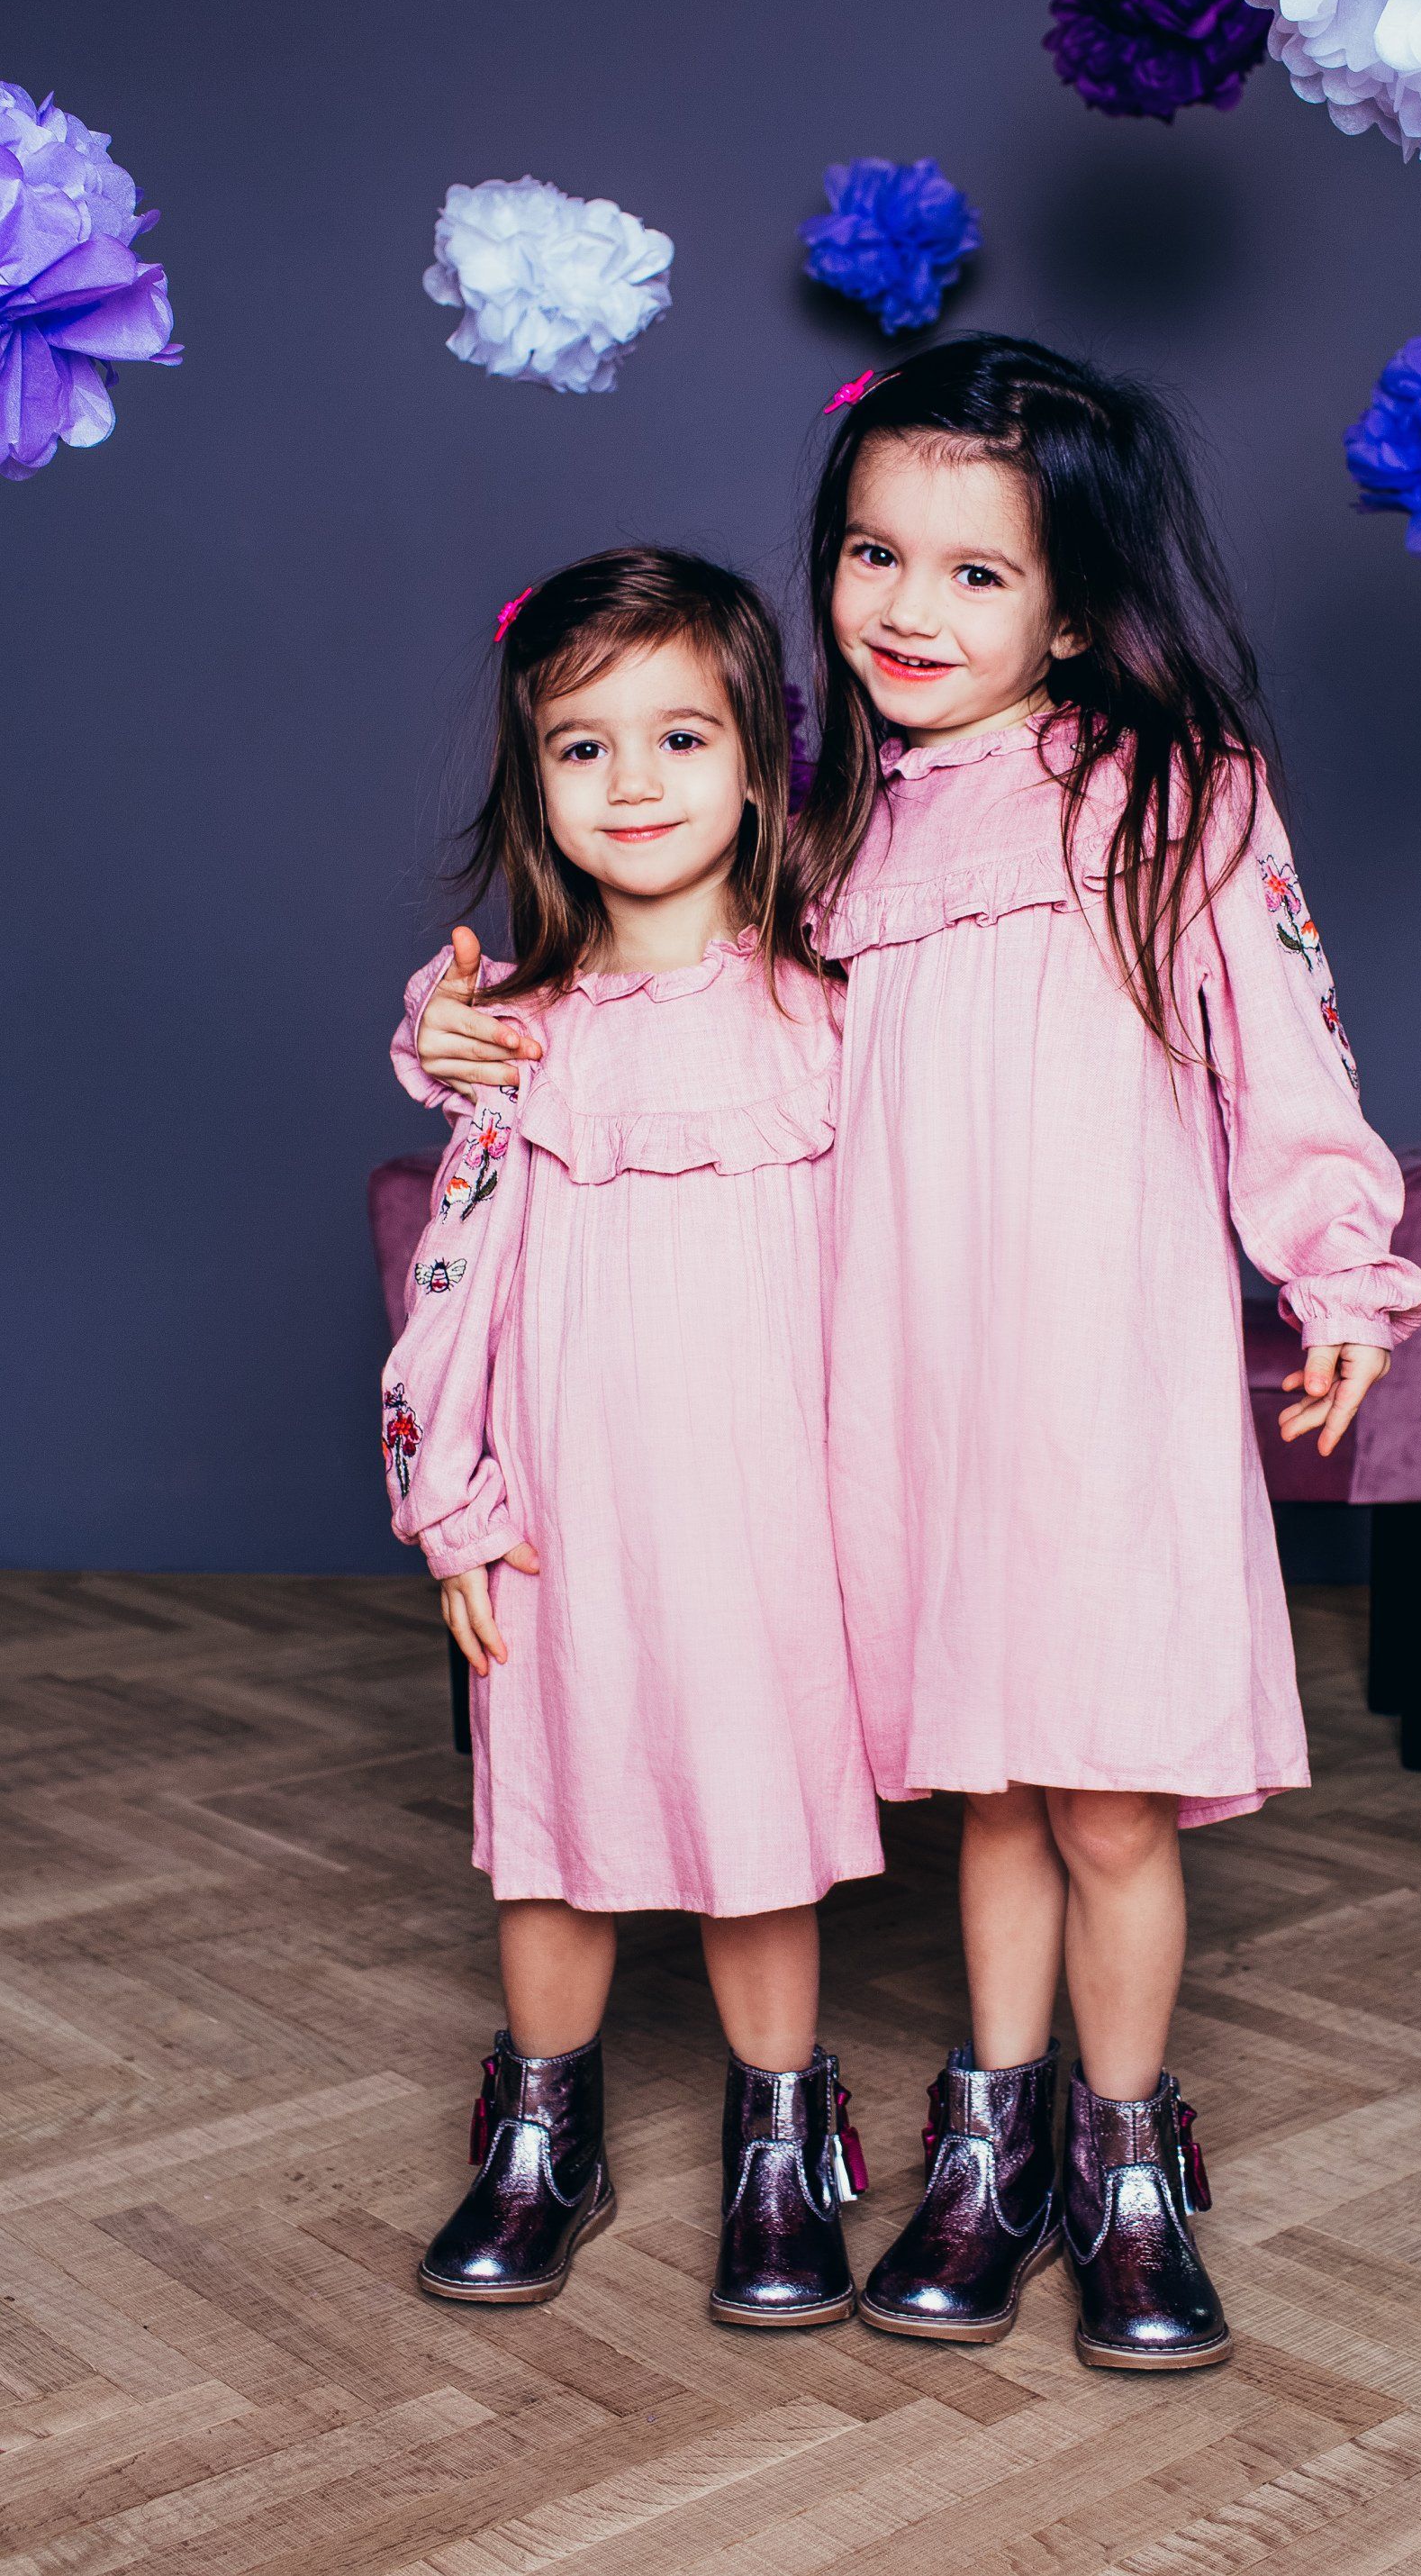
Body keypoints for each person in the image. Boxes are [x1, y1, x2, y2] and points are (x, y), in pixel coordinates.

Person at [406, 339, 1421, 2374]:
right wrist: (446, 1031)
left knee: (1114, 1802)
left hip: (1106, 1384)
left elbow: (1288, 1058)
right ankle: (989, 2146)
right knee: (995, 1799)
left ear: (1077, 603)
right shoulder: (829, 837)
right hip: (900, 1395)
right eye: (875, 553)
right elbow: (630, 992)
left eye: (978, 571)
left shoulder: (1179, 798)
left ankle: (1125, 2168)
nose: (909, 606)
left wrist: (1340, 1275)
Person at [383, 547, 879, 2330]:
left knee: (757, 1831)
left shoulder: (838, 1013)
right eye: (583, 746)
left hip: (773, 1515)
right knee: (551, 1832)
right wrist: (450, 1503)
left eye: (682, 736)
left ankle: (780, 2136)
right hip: (564, 1512)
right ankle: (544, 2135)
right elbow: (452, 1284)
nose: (636, 780)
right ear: (535, 783)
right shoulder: (515, 1039)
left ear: (761, 762)